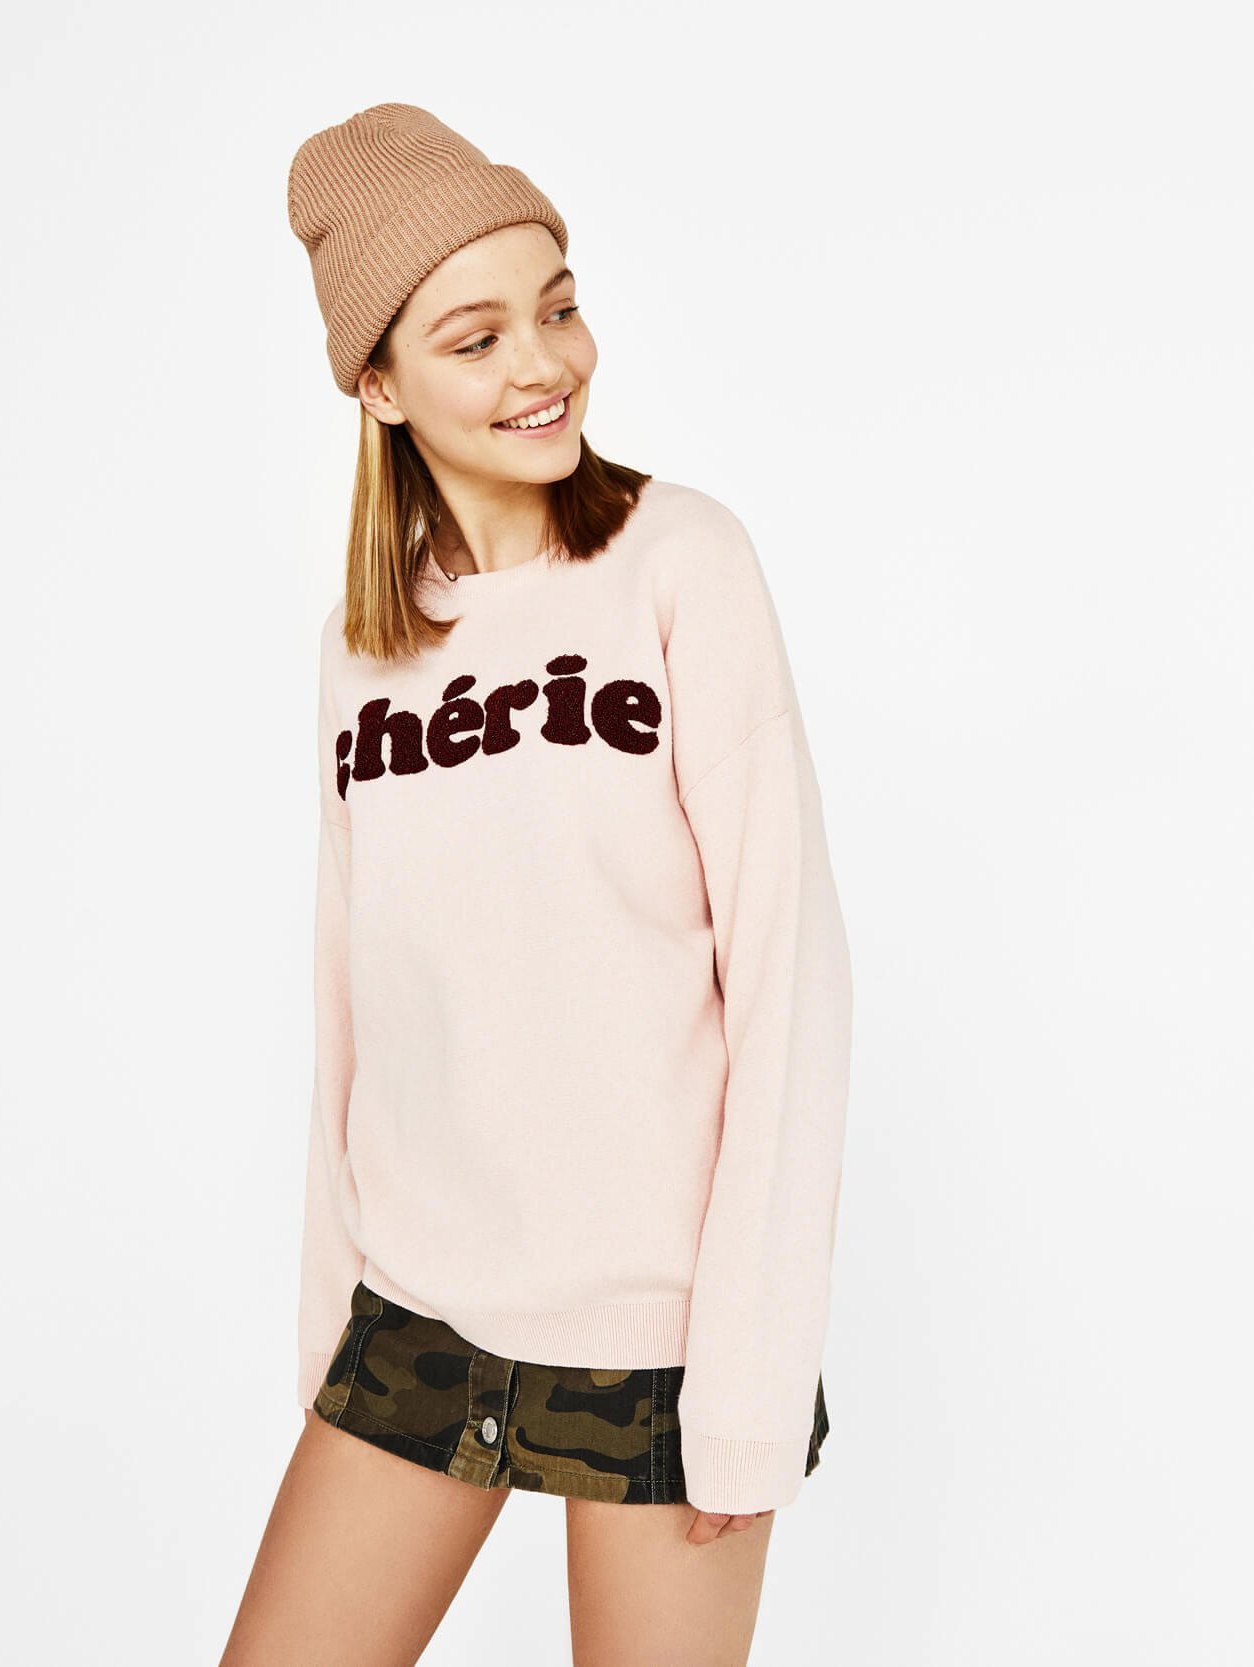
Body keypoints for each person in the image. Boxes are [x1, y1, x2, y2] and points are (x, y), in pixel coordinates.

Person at [219, 102, 854, 1667]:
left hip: (662, 1350)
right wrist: (330, 1331)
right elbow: (355, 1004)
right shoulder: (362, 650)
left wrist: (751, 1379)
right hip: (417, 1318)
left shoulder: (681, 562)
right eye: (476, 337)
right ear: (378, 384)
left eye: (558, 308)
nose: (544, 365)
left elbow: (788, 977)